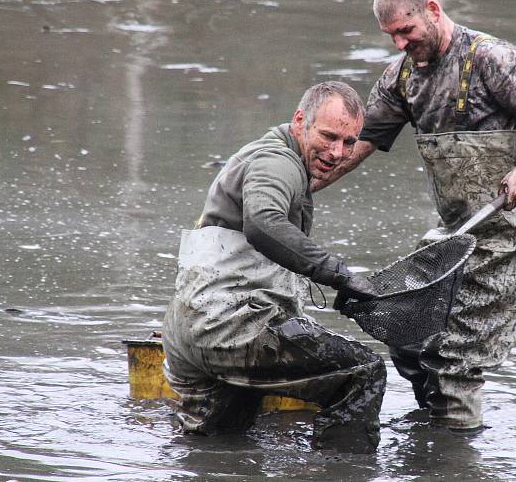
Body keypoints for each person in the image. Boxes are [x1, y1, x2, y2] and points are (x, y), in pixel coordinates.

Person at [316, 0, 516, 433]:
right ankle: (431, 430)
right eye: (390, 35)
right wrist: (300, 187)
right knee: (404, 328)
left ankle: (452, 452)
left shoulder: (490, 59)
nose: (398, 43)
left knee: (456, 363)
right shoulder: (401, 77)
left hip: (514, 237)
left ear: (432, 11)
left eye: (405, 31)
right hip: (457, 235)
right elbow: (356, 146)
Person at [162, 81, 386, 454]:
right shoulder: (278, 162)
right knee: (362, 373)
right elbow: (263, 221)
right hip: (231, 326)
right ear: (300, 121)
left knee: (218, 447)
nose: (337, 153)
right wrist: (336, 273)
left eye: (349, 143)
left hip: (192, 328)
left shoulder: (267, 154)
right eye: (329, 136)